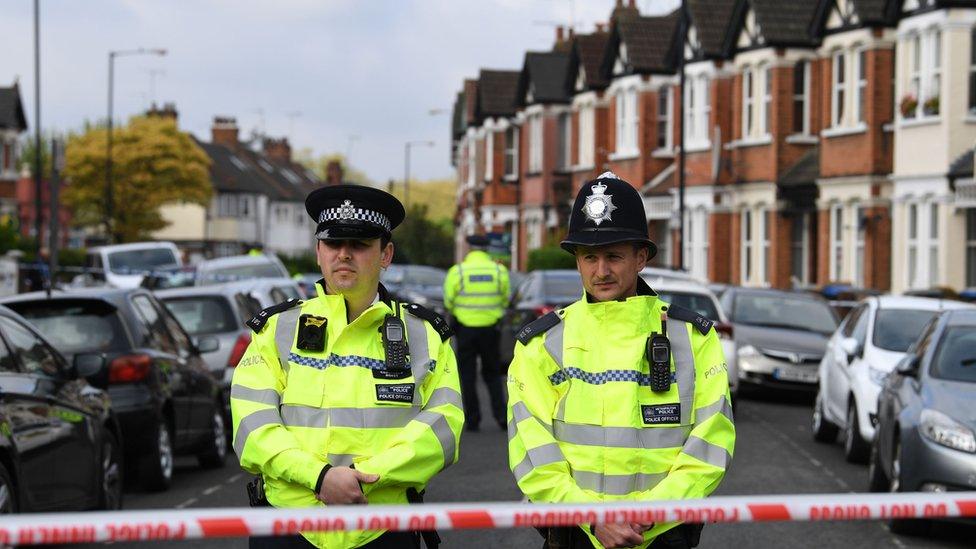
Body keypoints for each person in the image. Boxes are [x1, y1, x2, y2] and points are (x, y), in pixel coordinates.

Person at [506, 172, 735, 549]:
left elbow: (712, 440)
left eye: (614, 255)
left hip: (662, 535)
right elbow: (532, 450)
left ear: (640, 257)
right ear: (577, 260)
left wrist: (650, 513)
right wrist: (594, 519)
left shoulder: (693, 338)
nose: (601, 271)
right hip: (575, 534)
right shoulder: (542, 343)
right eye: (589, 257)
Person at [231, 184, 464, 549]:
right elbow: (251, 426)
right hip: (289, 529)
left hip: (382, 529)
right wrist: (320, 478)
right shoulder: (277, 330)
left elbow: (442, 430)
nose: (344, 255)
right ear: (318, 252)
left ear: (385, 254)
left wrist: (361, 478)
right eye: (333, 244)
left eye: (359, 245)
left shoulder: (424, 335)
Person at [443, 234, 510, 431]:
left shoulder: (459, 271)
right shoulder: (499, 271)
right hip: (491, 329)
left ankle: (473, 420)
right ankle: (501, 418)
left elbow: (448, 300)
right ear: (487, 249)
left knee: (467, 376)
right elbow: (505, 299)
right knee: (493, 375)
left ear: (470, 248)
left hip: (465, 330)